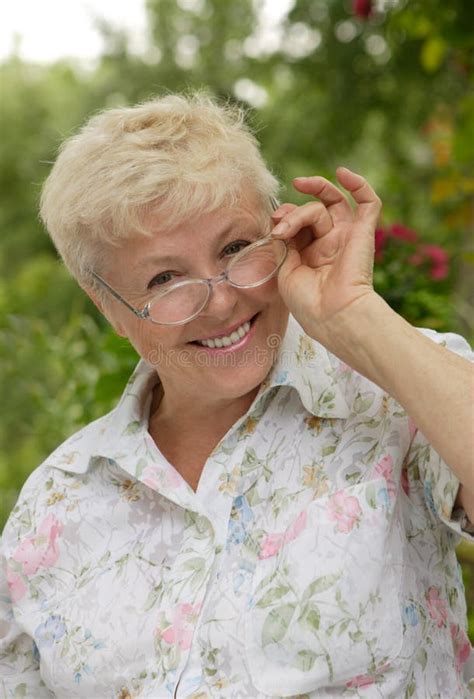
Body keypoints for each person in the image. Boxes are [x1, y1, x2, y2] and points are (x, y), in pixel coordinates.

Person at [1, 92, 473, 699]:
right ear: (108, 308)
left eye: (234, 249)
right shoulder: (56, 502)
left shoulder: (394, 394)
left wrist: (356, 315)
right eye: (164, 278)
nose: (222, 301)